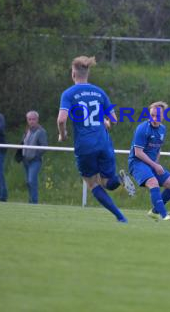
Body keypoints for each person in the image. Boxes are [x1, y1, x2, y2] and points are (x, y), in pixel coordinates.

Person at [57, 55, 133, 223]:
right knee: (108, 182)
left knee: (93, 184)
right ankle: (120, 179)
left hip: (85, 145)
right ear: (87, 73)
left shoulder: (68, 94)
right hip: (103, 142)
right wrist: (104, 122)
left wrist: (63, 135)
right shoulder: (99, 92)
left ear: (73, 74)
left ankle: (120, 217)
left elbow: (62, 119)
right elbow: (113, 119)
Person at [128, 101, 170, 221]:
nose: (154, 118)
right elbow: (138, 152)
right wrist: (155, 165)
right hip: (137, 163)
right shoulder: (142, 129)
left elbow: (158, 148)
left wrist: (156, 164)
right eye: (152, 115)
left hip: (151, 164)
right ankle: (164, 215)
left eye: (158, 116)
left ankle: (154, 211)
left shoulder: (162, 129)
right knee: (153, 182)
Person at [20, 110, 48, 204]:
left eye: (33, 119)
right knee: (28, 182)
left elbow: (44, 147)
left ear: (37, 120)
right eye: (29, 119)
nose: (31, 121)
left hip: (35, 161)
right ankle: (30, 201)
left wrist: (35, 155)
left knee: (32, 180)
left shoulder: (41, 131)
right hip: (26, 160)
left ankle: (34, 202)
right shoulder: (27, 130)